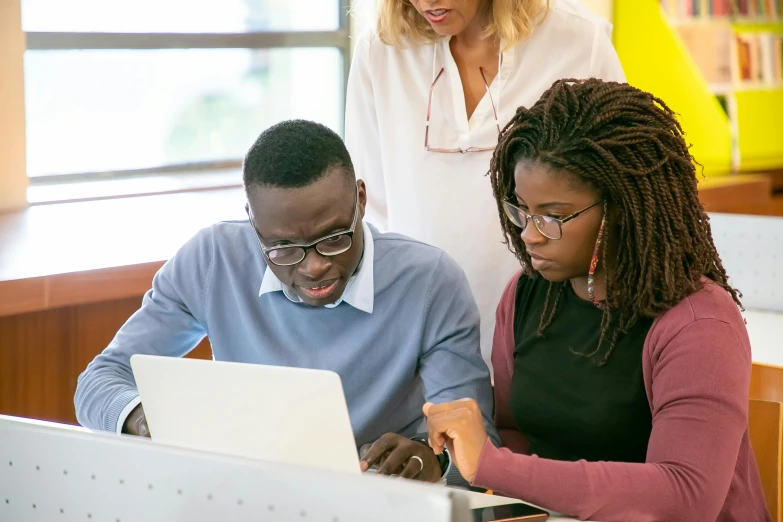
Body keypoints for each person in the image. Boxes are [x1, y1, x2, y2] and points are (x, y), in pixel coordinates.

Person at [74, 119, 497, 485]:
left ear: (361, 201)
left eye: (333, 238)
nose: (313, 267)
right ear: (253, 223)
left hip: (376, 502)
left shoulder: (429, 282)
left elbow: (480, 447)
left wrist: (433, 461)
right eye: (283, 248)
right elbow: (97, 383)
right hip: (245, 494)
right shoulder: (212, 260)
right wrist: (155, 423)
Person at [421, 79, 771, 520]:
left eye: (552, 216)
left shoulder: (700, 323)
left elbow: (684, 496)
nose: (529, 234)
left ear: (620, 207)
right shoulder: (528, 296)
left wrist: (494, 465)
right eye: (521, 210)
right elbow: (513, 428)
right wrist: (439, 451)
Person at [345, 0, 626, 361]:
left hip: (556, 335)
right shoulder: (380, 51)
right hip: (421, 336)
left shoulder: (578, 42)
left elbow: (623, 196)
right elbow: (372, 214)